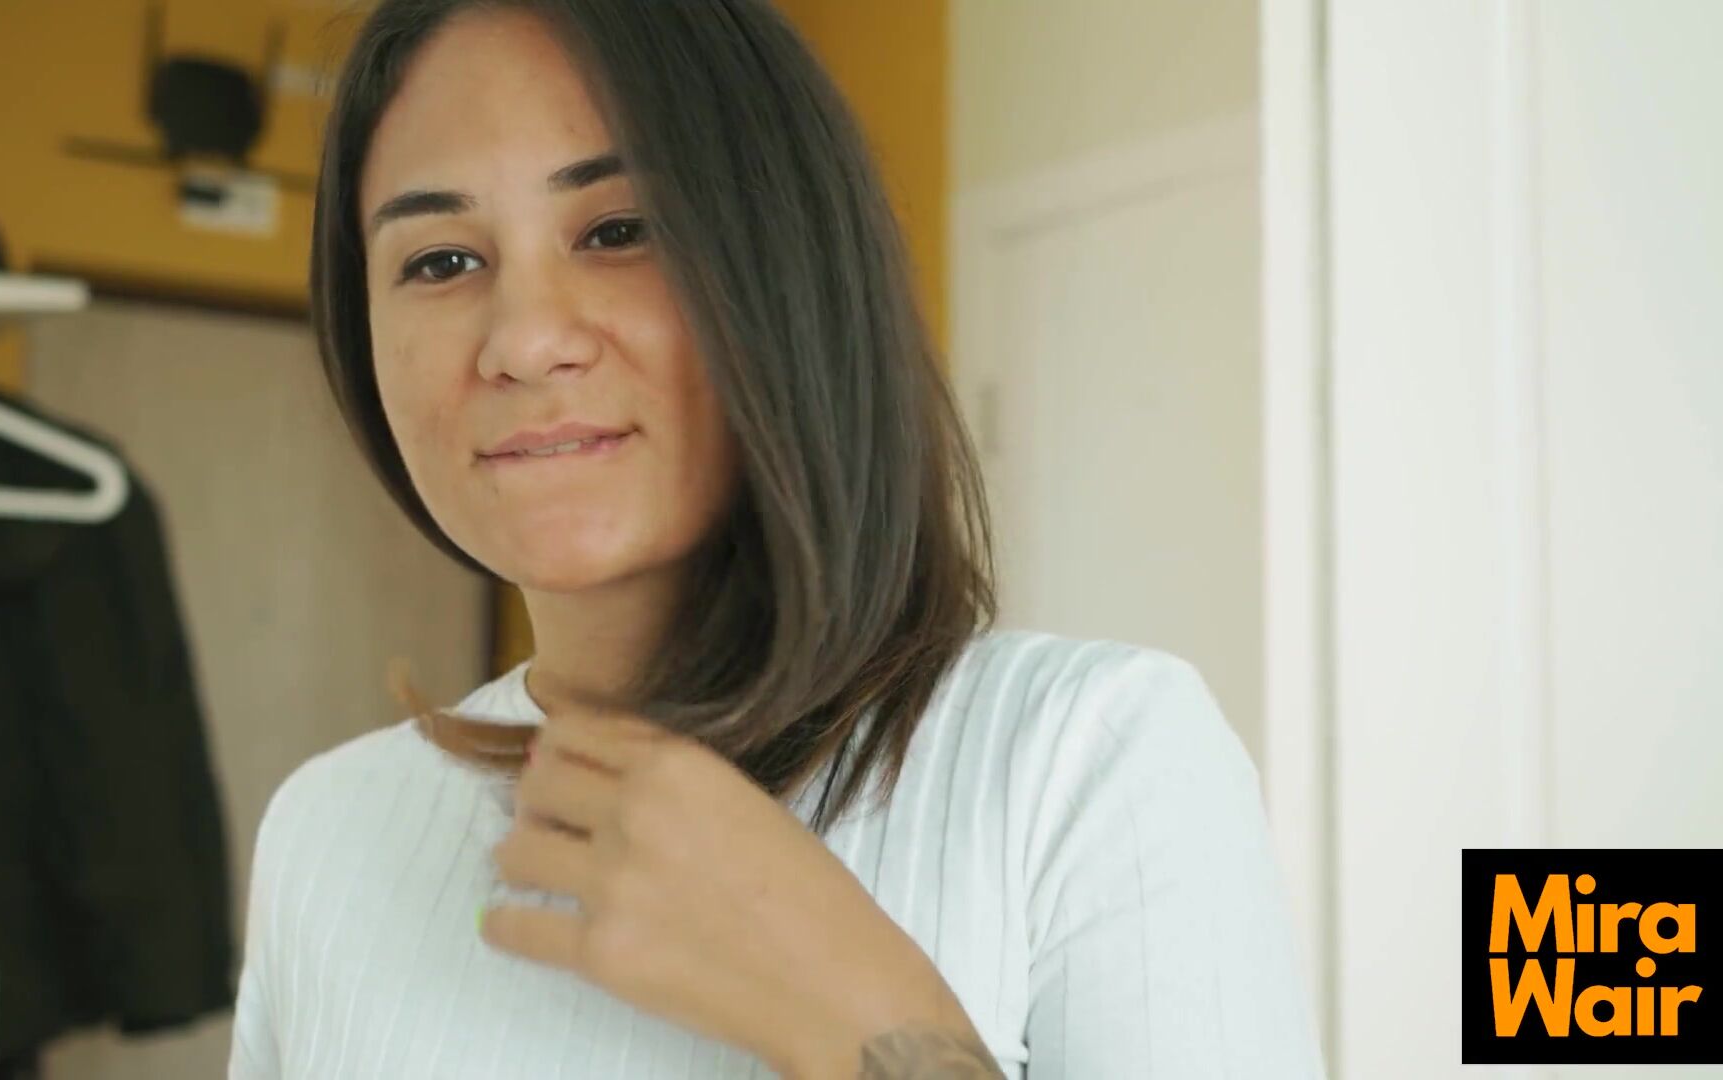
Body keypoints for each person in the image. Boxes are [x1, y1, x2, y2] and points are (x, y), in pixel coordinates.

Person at [227, 0, 1326, 1077]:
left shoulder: (1091, 758)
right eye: (439, 262)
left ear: (793, 274)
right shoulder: (328, 830)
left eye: (619, 231)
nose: (523, 340)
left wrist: (860, 1019)